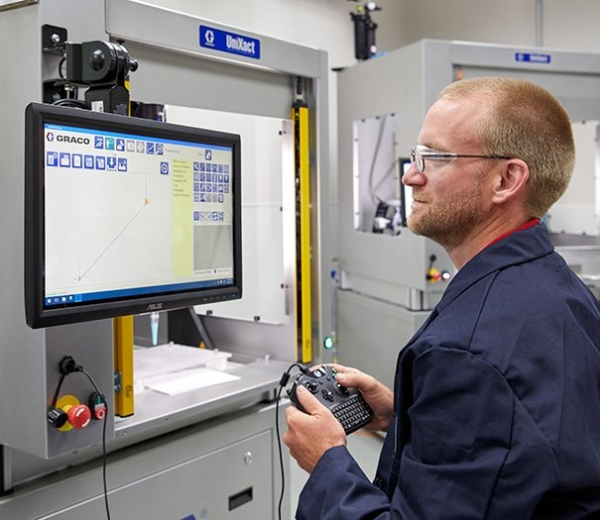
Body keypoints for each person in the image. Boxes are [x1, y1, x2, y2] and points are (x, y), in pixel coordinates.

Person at [284, 76, 600, 519]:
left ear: (507, 179)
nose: (411, 176)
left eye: (435, 157)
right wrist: (407, 418)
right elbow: (528, 444)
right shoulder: (559, 287)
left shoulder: (467, 349)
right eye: (416, 156)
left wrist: (327, 464)